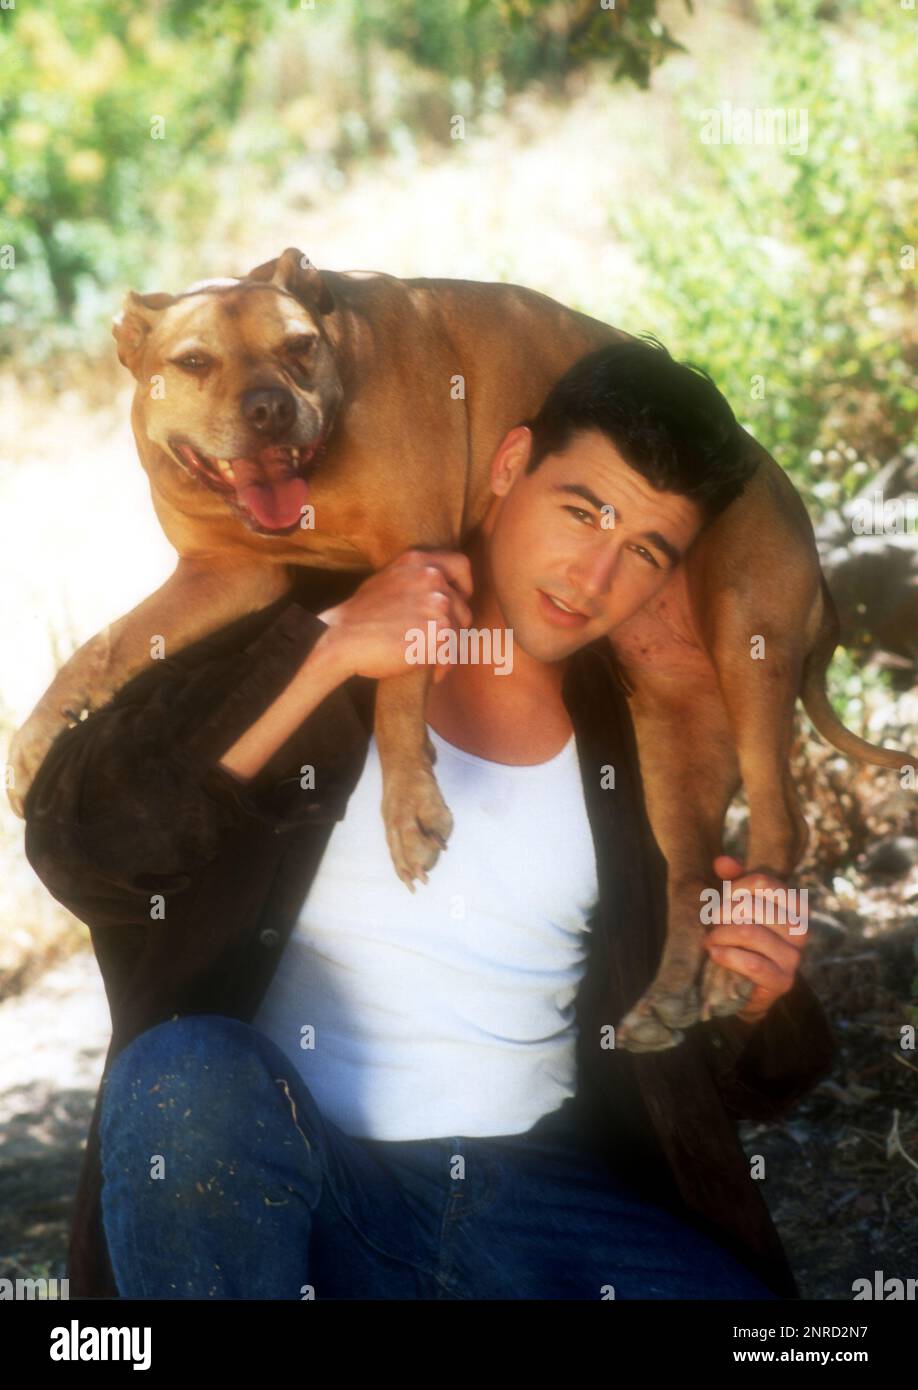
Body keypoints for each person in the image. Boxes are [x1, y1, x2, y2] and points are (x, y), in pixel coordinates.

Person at [23, 339, 836, 1300]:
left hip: (541, 1212)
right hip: (304, 1199)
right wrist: (322, 657)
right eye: (583, 513)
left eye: (643, 553)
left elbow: (742, 1082)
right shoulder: (301, 626)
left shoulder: (635, 747)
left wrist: (758, 994)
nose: (591, 577)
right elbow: (88, 847)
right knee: (186, 1074)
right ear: (507, 467)